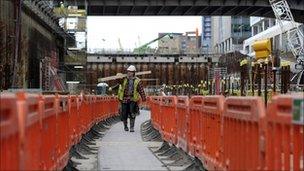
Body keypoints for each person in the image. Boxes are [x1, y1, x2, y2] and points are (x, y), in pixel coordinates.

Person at [118, 65, 146, 132]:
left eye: (131, 72)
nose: (129, 73)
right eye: (128, 72)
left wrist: (143, 98)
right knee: (124, 113)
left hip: (133, 99)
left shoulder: (137, 81)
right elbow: (118, 80)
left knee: (132, 112)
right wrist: (118, 75)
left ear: (133, 72)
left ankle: (132, 127)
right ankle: (125, 126)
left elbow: (141, 90)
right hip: (124, 98)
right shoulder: (124, 79)